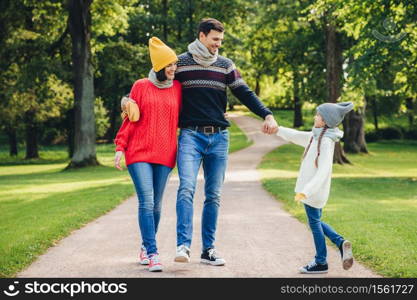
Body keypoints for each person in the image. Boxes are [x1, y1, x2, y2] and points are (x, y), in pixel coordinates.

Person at [173, 18, 278, 266]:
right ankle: (183, 246)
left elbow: (245, 92)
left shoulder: (225, 65)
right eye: (214, 39)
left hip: (219, 137)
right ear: (201, 36)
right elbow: (158, 83)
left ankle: (208, 249)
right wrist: (130, 99)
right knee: (186, 188)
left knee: (214, 195)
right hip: (190, 135)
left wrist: (267, 113)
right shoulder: (180, 63)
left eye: (221, 40)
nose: (218, 44)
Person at [114, 37, 182, 272]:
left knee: (157, 206)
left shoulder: (178, 88)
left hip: (165, 153)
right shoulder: (140, 86)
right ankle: (153, 254)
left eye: (175, 64)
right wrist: (120, 147)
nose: (173, 68)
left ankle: (145, 246)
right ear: (159, 66)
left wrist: (215, 117)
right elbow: (130, 120)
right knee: (147, 200)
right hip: (139, 151)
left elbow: (189, 115)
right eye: (169, 65)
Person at [276, 102, 355, 274]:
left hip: (314, 191)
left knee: (314, 223)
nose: (315, 117)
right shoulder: (317, 135)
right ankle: (340, 242)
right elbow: (297, 135)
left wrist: (307, 191)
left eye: (318, 115)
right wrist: (277, 129)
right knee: (316, 221)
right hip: (314, 191)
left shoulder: (325, 141)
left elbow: (323, 171)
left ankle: (321, 261)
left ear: (325, 120)